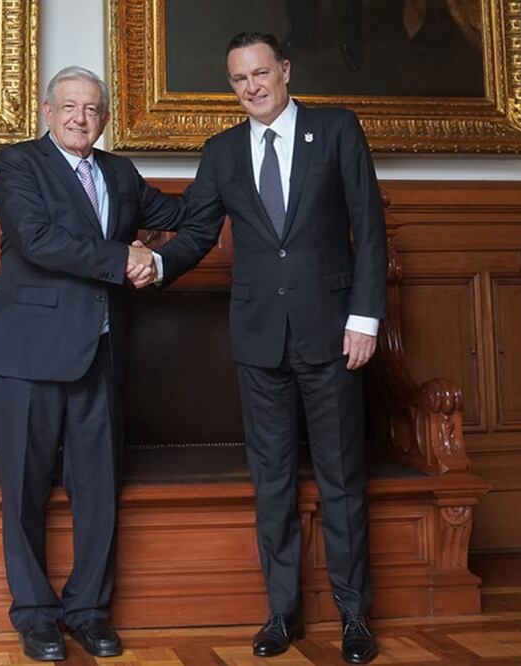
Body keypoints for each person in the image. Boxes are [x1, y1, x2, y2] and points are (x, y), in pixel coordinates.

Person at [153, 32, 387, 665]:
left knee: (341, 479)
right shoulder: (223, 151)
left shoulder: (336, 130)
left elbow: (368, 226)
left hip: (334, 334)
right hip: (258, 341)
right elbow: (198, 230)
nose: (251, 87)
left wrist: (364, 319)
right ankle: (282, 613)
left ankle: (354, 615)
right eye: (238, 80)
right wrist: (153, 265)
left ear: (284, 70)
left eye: (260, 73)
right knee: (273, 483)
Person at [0, 65, 186, 662]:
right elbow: (37, 238)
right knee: (24, 490)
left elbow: (174, 213)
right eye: (70, 107)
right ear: (48, 112)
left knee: (99, 490)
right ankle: (36, 614)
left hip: (102, 351)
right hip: (27, 353)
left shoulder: (119, 172)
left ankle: (90, 611)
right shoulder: (18, 163)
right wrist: (125, 256)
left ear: (104, 118)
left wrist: (231, 181)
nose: (81, 118)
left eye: (93, 109)